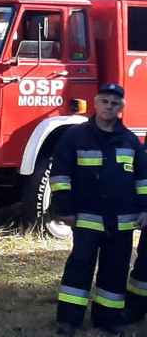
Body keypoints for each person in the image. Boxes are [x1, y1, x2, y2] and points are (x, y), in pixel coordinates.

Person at [51, 83, 147, 336]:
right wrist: (66, 209)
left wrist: (145, 209)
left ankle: (107, 319)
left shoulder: (130, 140)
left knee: (115, 271)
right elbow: (60, 174)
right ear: (95, 103)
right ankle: (68, 320)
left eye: (115, 103)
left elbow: (143, 179)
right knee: (80, 266)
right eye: (105, 101)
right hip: (87, 218)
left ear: (121, 108)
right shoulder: (75, 136)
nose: (109, 106)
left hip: (122, 221)